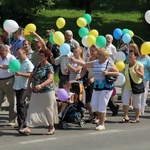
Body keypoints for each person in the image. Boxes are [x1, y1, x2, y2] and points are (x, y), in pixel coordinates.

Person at [69, 48, 119, 130]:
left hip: (106, 88)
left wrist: (108, 73)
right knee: (94, 105)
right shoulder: (95, 63)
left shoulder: (109, 63)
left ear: (103, 56)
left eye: (99, 54)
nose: (97, 55)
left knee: (102, 105)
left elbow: (117, 73)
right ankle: (102, 118)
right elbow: (85, 64)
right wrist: (75, 61)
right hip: (97, 87)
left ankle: (102, 124)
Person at [19, 49, 58, 135]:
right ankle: (28, 127)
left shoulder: (49, 66)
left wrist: (41, 85)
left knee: (48, 109)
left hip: (47, 92)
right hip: (36, 92)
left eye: (42, 56)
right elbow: (31, 76)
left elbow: (50, 79)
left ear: (46, 57)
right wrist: (29, 86)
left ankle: (51, 127)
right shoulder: (37, 65)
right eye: (39, 55)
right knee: (32, 108)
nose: (40, 57)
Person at [119, 44, 144, 123]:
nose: (129, 56)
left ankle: (137, 118)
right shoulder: (126, 65)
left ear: (135, 56)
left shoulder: (139, 65)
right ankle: (125, 116)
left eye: (131, 55)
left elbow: (142, 76)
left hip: (136, 86)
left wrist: (137, 71)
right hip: (128, 86)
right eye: (129, 55)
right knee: (125, 101)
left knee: (136, 103)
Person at [13, 48, 34, 130]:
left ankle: (22, 123)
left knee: (20, 103)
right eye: (17, 53)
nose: (18, 55)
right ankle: (23, 122)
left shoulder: (28, 63)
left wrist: (21, 74)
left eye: (19, 53)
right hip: (17, 85)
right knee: (20, 104)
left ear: (24, 53)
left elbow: (31, 75)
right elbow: (9, 67)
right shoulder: (17, 62)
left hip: (24, 86)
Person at [78, 44, 98, 123]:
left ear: (97, 52)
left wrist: (94, 78)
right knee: (87, 101)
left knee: (95, 100)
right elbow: (84, 70)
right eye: (90, 51)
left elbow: (101, 72)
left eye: (93, 51)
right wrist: (79, 76)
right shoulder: (88, 59)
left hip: (97, 81)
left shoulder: (99, 61)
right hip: (89, 80)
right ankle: (91, 114)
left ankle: (98, 116)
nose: (91, 52)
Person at [0, 44, 17, 125]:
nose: (1, 55)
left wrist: (3, 66)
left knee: (11, 101)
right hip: (0, 81)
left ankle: (12, 120)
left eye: (2, 53)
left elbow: (14, 67)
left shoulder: (11, 58)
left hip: (9, 80)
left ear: (6, 51)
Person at [137, 50, 150, 114]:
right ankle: (137, 108)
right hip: (137, 78)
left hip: (145, 78)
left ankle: (141, 110)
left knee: (143, 94)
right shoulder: (138, 57)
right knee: (137, 94)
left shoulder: (148, 59)